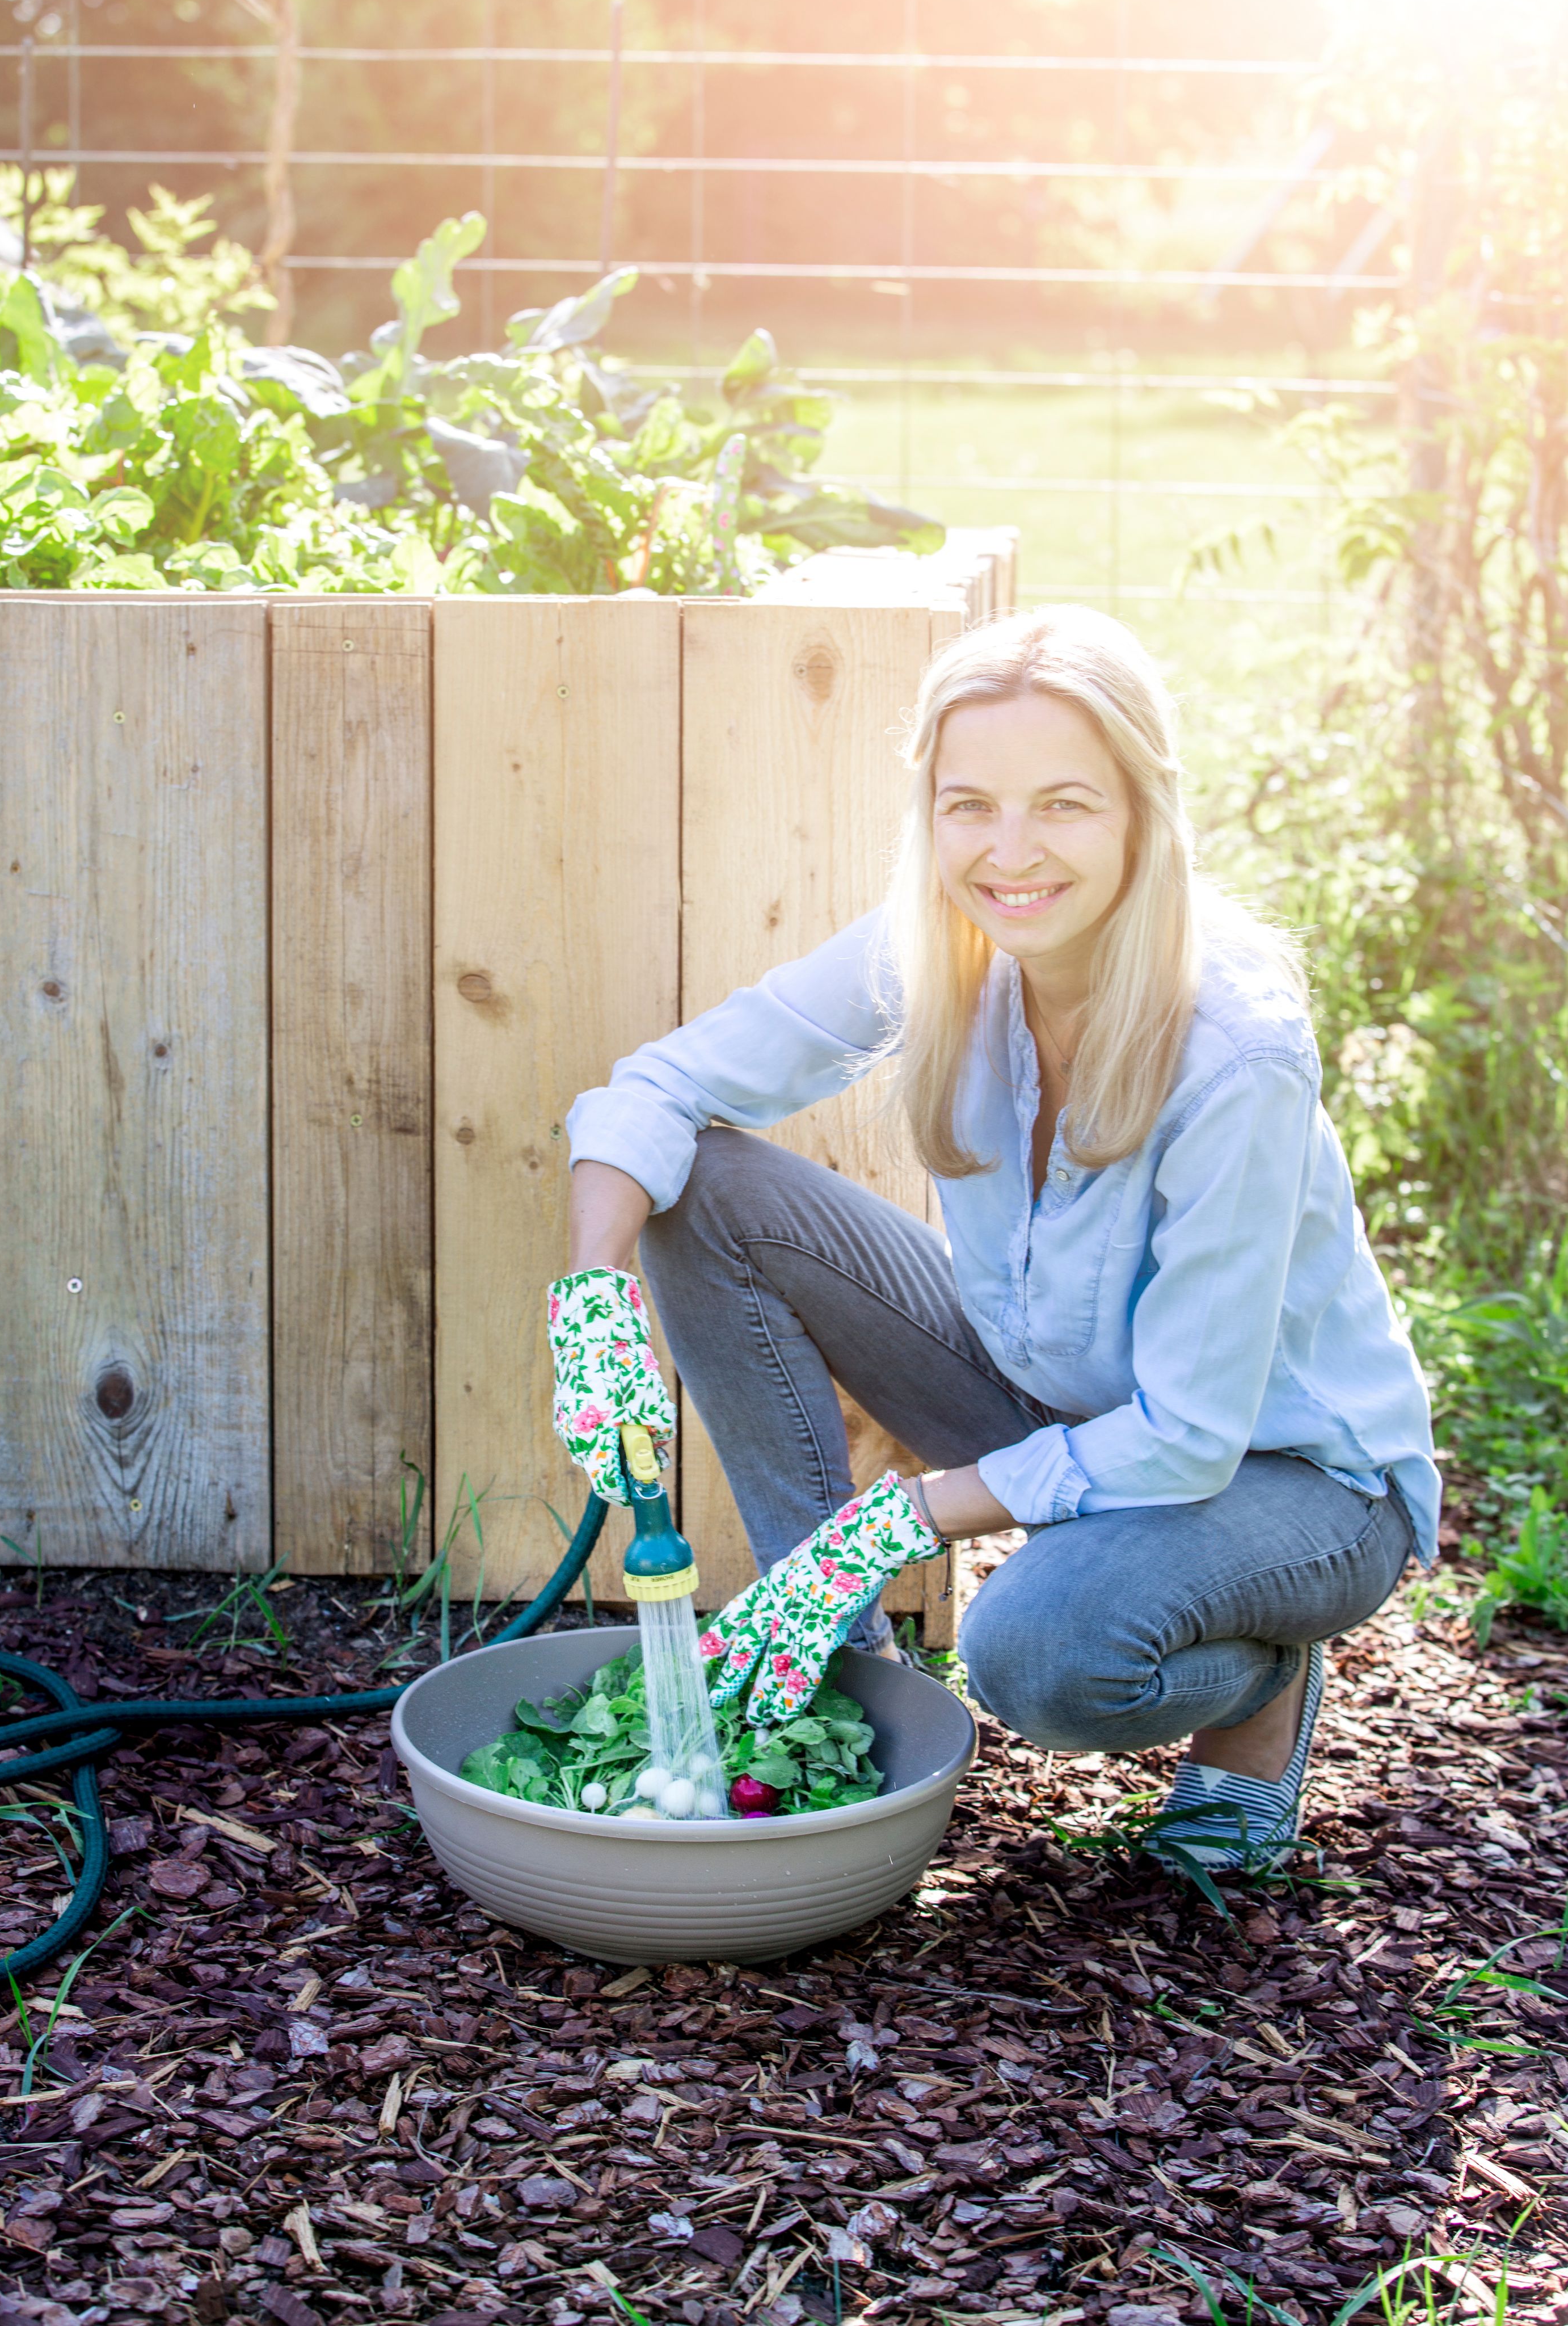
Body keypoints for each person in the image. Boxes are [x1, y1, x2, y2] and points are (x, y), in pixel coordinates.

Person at [546, 608, 1438, 1871]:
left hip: (1285, 1479)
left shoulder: (1235, 1053)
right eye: (971, 806)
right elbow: (664, 1087)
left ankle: (1259, 1688)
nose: (1010, 853)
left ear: (1143, 812)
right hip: (1059, 1396)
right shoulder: (939, 945)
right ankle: (835, 1665)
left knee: (1041, 1656)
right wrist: (590, 1295)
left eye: (1063, 805)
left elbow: (1189, 1434)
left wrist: (895, 1518)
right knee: (700, 1190)